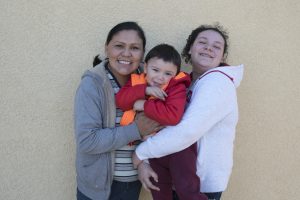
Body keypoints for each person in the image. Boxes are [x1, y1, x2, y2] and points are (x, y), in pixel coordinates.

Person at [132, 24, 244, 200]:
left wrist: (140, 154)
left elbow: (187, 131)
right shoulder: (184, 82)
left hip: (200, 185)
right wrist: (146, 162)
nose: (208, 48)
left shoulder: (217, 83)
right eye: (202, 42)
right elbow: (162, 126)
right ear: (190, 48)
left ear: (222, 56)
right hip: (178, 177)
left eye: (216, 46)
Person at [74, 21, 161, 200]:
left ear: (143, 53)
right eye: (119, 46)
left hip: (133, 184)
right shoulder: (93, 84)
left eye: (135, 48)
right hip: (98, 188)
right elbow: (87, 141)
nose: (126, 54)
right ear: (107, 49)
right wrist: (136, 129)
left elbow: (158, 130)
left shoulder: (151, 81)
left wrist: (145, 161)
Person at [116, 44, 207, 200]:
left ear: (175, 74)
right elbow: (121, 101)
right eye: (155, 70)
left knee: (187, 188)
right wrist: (144, 91)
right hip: (154, 149)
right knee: (159, 189)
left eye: (168, 73)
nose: (160, 77)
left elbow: (173, 117)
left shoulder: (176, 88)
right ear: (145, 67)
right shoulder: (137, 83)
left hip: (179, 148)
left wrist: (143, 104)